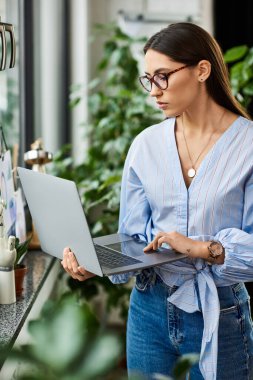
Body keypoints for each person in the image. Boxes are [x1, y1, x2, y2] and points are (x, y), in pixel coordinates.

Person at [61, 22, 253, 380]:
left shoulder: (248, 146)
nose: (154, 91)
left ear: (202, 70)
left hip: (220, 314)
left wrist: (200, 248)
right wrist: (95, 263)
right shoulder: (145, 145)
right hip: (147, 311)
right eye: (148, 79)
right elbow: (133, 238)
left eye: (163, 76)